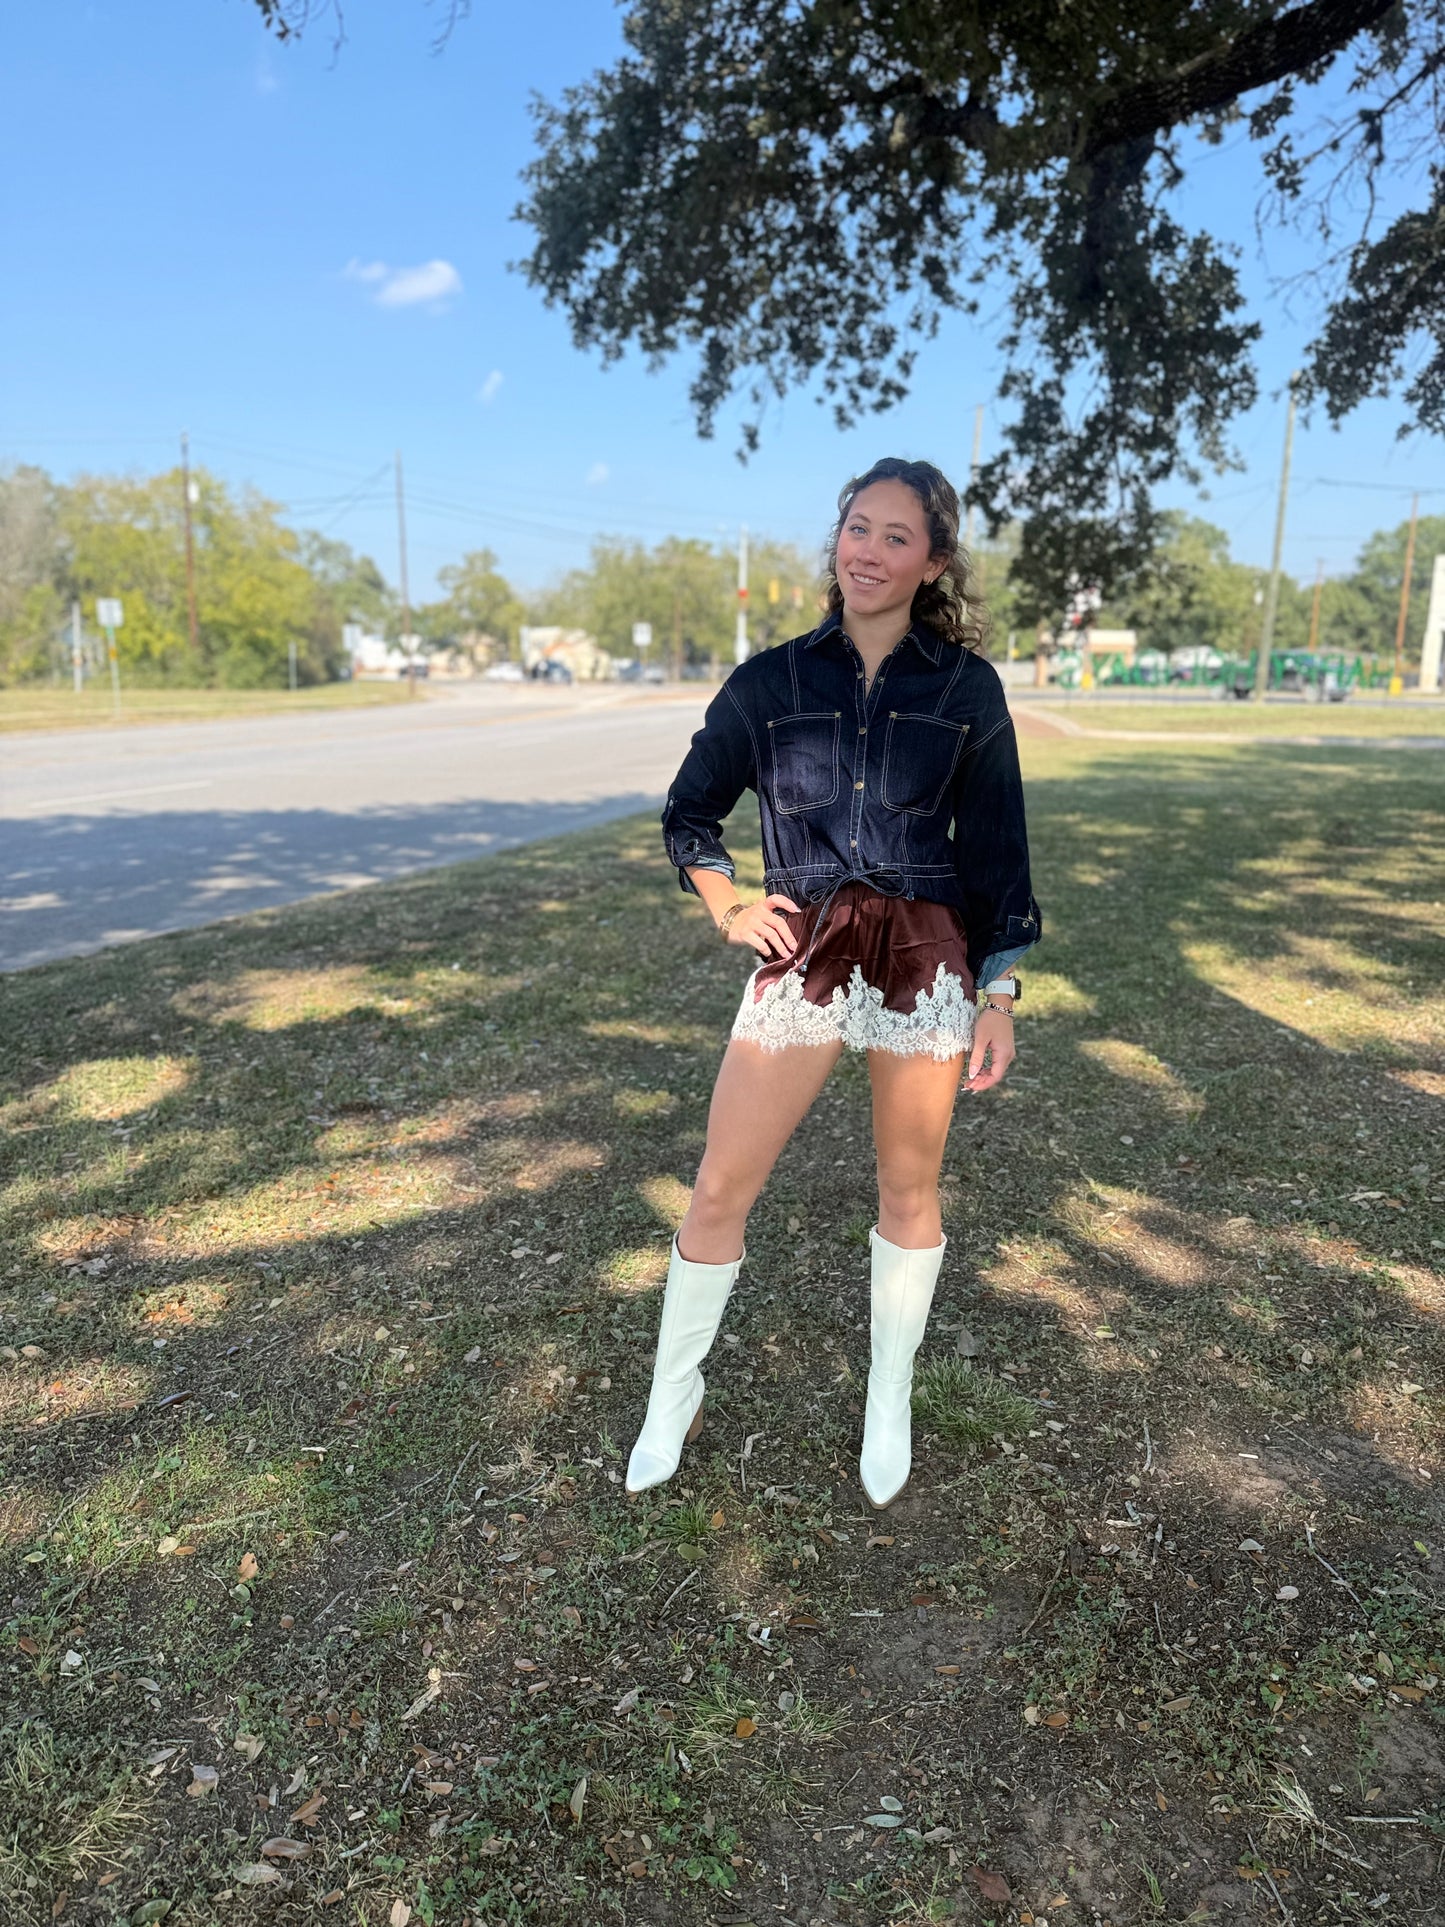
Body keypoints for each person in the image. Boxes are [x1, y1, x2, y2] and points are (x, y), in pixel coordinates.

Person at [627, 457, 1041, 1510]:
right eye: (857, 527)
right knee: (721, 1180)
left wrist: (996, 991)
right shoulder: (771, 679)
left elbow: (997, 847)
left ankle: (887, 1394)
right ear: (836, 538)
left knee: (908, 1186)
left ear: (932, 561)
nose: (868, 550)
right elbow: (689, 811)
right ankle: (671, 1396)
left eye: (895, 536)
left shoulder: (963, 688)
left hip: (923, 954)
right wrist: (727, 903)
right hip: (803, 949)